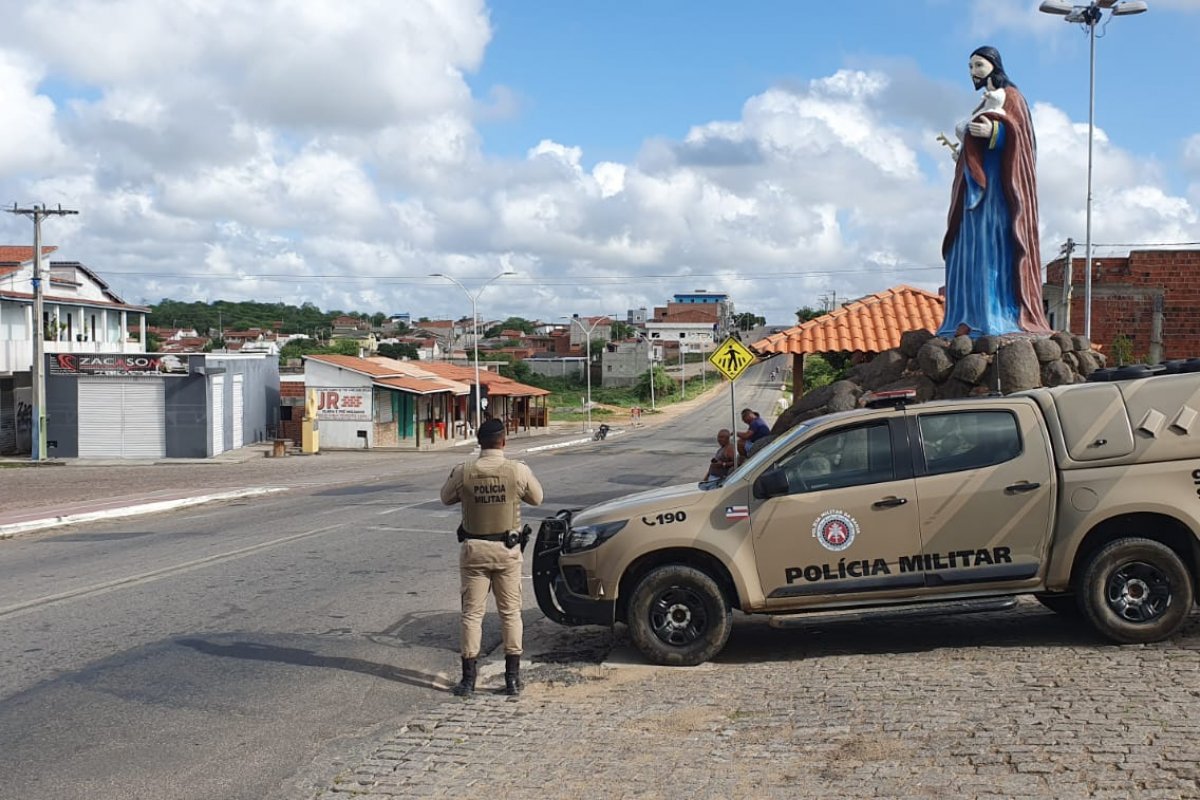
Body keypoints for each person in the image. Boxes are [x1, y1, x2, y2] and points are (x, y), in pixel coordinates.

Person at [938, 46, 1052, 339]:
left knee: (992, 247)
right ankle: (966, 315)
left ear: (993, 65)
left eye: (978, 65)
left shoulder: (1011, 96)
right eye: (970, 66)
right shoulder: (982, 101)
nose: (973, 72)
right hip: (971, 189)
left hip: (997, 193)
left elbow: (1022, 140)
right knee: (966, 249)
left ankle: (996, 314)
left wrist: (995, 134)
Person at [439, 418, 544, 698]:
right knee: (510, 614)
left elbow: (445, 497)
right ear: (504, 441)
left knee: (472, 615)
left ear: (478, 442)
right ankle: (512, 680)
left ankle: (468, 680)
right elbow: (538, 498)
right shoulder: (517, 471)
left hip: (475, 551)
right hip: (507, 552)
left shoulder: (464, 471)